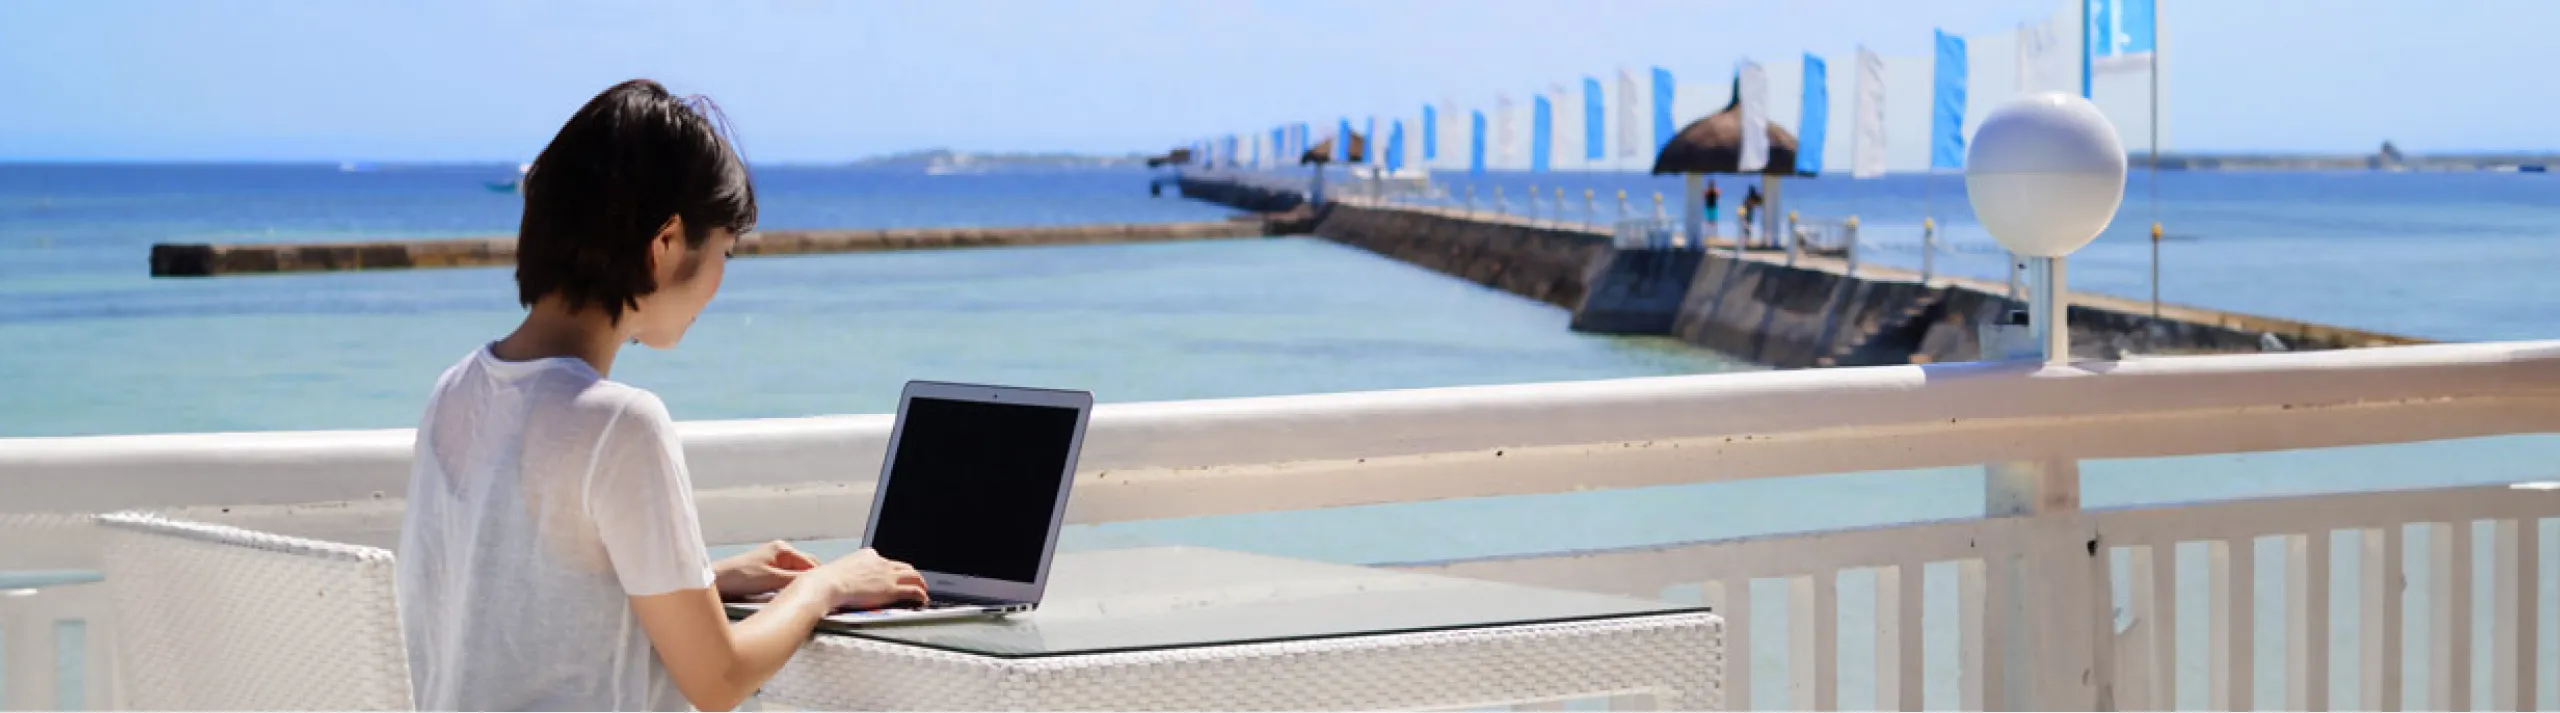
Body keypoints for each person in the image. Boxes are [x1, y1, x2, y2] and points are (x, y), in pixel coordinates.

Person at [396, 79, 929, 712]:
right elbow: (718, 680)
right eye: (725, 251)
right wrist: (825, 587)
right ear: (667, 243)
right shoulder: (619, 424)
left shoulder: (457, 388)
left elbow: (516, 594)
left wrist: (705, 581)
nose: (720, 282)